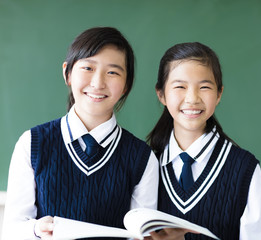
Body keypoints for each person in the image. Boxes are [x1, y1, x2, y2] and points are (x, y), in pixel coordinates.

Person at [1, 27, 159, 240]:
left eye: (112, 72)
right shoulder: (32, 144)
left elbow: (143, 235)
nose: (98, 83)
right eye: (88, 68)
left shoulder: (142, 158)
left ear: (126, 85)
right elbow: (11, 230)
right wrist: (37, 230)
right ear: (67, 73)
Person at [147, 42, 261, 240]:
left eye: (204, 87)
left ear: (219, 94)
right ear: (161, 94)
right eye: (180, 86)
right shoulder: (146, 163)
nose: (192, 98)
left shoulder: (243, 169)